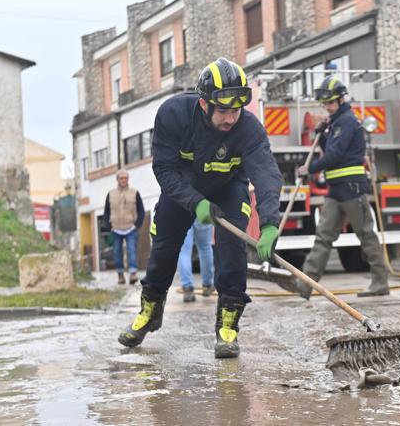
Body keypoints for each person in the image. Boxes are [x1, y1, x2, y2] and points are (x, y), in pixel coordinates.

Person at [118, 58, 282, 359]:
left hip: (229, 187)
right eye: (223, 110)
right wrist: (195, 202)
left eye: (236, 110)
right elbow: (164, 169)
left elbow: (266, 174)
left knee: (232, 245)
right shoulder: (173, 114)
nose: (230, 119)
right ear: (205, 103)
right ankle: (150, 310)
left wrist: (270, 223)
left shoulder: (249, 129)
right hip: (182, 188)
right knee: (165, 245)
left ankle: (228, 324)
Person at [287, 75, 389, 298]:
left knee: (366, 236)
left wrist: (310, 168)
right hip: (336, 190)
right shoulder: (335, 123)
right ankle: (305, 285)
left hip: (352, 188)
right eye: (324, 104)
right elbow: (330, 148)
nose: (327, 107)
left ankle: (380, 282)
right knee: (323, 237)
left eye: (330, 103)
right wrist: (320, 134)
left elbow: (335, 155)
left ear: (342, 99)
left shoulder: (348, 122)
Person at [102, 169, 145, 285]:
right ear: (117, 180)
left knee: (131, 250)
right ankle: (120, 275)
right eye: (121, 178)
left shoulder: (135, 192)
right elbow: (106, 212)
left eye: (126, 178)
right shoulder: (110, 194)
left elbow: (141, 211)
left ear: (128, 179)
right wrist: (109, 225)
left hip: (131, 227)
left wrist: (137, 225)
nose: (124, 180)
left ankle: (133, 274)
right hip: (116, 228)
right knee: (117, 252)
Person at [178, 220, 215, 302]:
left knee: (184, 250)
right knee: (205, 247)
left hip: (182, 212)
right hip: (201, 212)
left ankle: (187, 287)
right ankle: (207, 285)